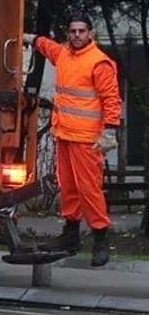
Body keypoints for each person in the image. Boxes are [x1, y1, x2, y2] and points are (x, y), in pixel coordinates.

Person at [24, 14, 122, 267]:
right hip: (64, 135)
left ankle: (100, 239)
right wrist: (32, 39)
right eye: (73, 31)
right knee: (68, 188)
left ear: (90, 33)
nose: (77, 35)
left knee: (89, 190)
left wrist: (109, 132)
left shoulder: (99, 62)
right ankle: (70, 235)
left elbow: (111, 99)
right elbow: (48, 46)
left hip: (87, 139)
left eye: (81, 31)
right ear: (68, 34)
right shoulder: (64, 54)